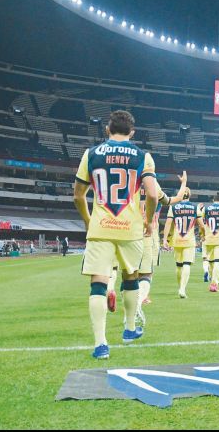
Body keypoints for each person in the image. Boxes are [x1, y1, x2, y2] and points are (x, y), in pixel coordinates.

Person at [73, 110, 158, 360]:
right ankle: (129, 330)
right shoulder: (144, 156)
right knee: (131, 277)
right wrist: (148, 221)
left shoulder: (91, 154)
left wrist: (90, 221)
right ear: (132, 132)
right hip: (130, 228)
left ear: (107, 130)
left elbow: (78, 195)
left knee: (98, 283)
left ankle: (101, 345)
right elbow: (152, 195)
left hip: (101, 226)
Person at [138, 171, 188, 307]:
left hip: (131, 231)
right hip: (149, 232)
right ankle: (143, 296)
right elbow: (176, 199)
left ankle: (124, 292)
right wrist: (183, 183)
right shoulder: (154, 186)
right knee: (148, 270)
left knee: (131, 269)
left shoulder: (130, 186)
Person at [163, 185, 197, 299]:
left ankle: (180, 287)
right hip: (189, 240)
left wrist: (164, 239)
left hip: (177, 239)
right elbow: (201, 224)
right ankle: (182, 289)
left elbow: (168, 223)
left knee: (178, 265)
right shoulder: (195, 207)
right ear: (190, 195)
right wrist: (203, 232)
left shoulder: (173, 207)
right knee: (187, 264)